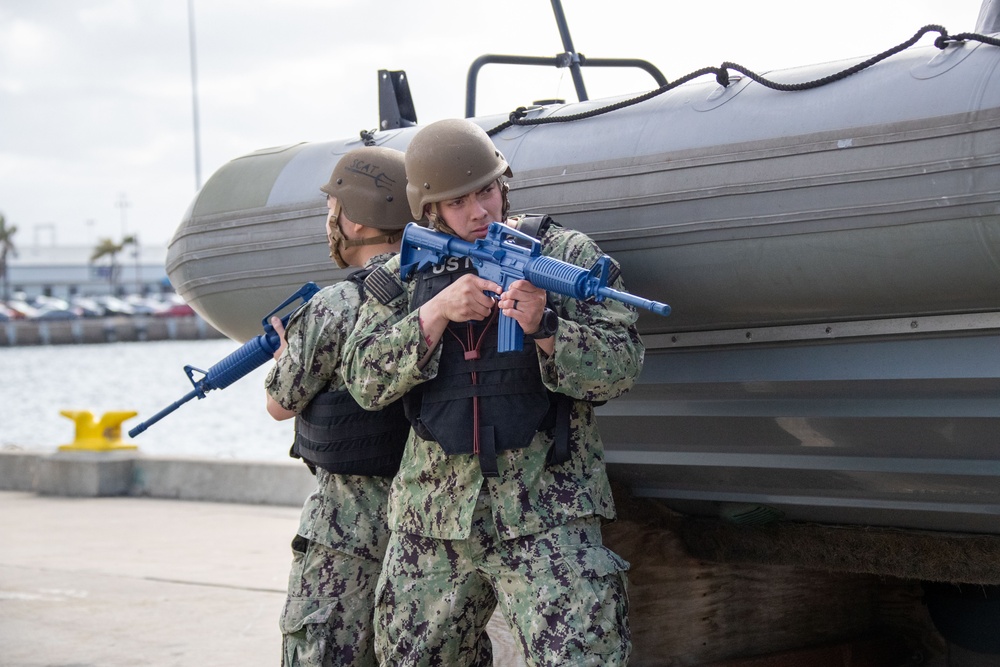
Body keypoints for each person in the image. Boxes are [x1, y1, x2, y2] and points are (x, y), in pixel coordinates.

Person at [343, 118, 644, 666]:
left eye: (487, 190)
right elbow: (364, 381)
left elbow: (620, 366)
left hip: (546, 510)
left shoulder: (564, 255)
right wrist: (433, 314)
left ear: (504, 183)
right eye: (459, 202)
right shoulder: (404, 276)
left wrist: (547, 329)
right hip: (432, 516)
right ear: (429, 211)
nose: (480, 211)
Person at [265, 145, 449, 667]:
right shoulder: (442, 289)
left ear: (353, 218)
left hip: (346, 534)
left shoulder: (336, 304)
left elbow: (280, 404)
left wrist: (287, 354)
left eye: (333, 209)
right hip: (431, 529)